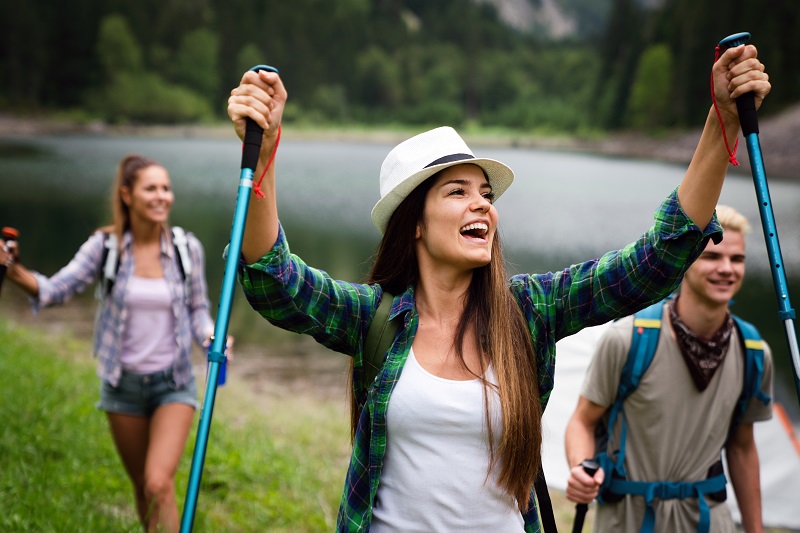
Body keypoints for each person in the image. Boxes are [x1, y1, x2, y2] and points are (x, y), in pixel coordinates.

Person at [225, 42, 770, 532]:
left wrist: (719, 119)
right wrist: (265, 153)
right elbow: (275, 280)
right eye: (457, 192)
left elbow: (653, 263)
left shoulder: (530, 310)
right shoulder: (372, 317)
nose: (482, 203)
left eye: (485, 193)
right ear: (414, 222)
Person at [0, 154, 220, 533]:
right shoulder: (104, 247)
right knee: (142, 488)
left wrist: (210, 335)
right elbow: (55, 290)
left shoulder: (187, 248)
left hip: (174, 382)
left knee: (158, 482)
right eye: (151, 188)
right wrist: (14, 271)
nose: (162, 196)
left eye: (166, 188)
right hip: (123, 386)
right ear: (127, 195)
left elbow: (198, 309)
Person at [564, 204, 773, 533]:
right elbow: (582, 421)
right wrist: (580, 468)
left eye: (737, 259)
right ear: (685, 262)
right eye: (712, 257)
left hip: (710, 522)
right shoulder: (627, 339)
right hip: (629, 521)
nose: (727, 269)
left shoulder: (753, 351)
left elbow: (742, 447)